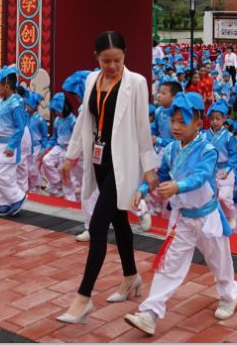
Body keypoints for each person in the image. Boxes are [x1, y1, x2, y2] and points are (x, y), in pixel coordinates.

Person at [57, 31, 159, 325]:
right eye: (106, 60)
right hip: (99, 161)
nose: (112, 66)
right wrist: (70, 155)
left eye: (117, 60)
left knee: (98, 226)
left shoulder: (136, 83)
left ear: (125, 55)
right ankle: (130, 277)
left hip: (122, 164)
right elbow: (84, 121)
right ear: (96, 58)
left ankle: (83, 297)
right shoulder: (92, 80)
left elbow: (142, 127)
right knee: (119, 221)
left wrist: (148, 166)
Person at [124, 92, 237, 336]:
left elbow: (201, 176)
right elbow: (162, 175)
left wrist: (178, 186)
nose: (175, 127)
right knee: (169, 265)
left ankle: (229, 295)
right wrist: (143, 189)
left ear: (198, 124)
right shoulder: (170, 149)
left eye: (182, 122)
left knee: (220, 262)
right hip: (183, 220)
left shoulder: (208, 150)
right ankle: (151, 312)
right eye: (172, 121)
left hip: (208, 218)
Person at [0, 66, 30, 216]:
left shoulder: (16, 103)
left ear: (6, 87)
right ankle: (6, 202)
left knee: (1, 175)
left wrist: (12, 145)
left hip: (10, 144)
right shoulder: (2, 102)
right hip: (1, 142)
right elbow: (4, 122)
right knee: (0, 174)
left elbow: (20, 127)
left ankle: (18, 197)